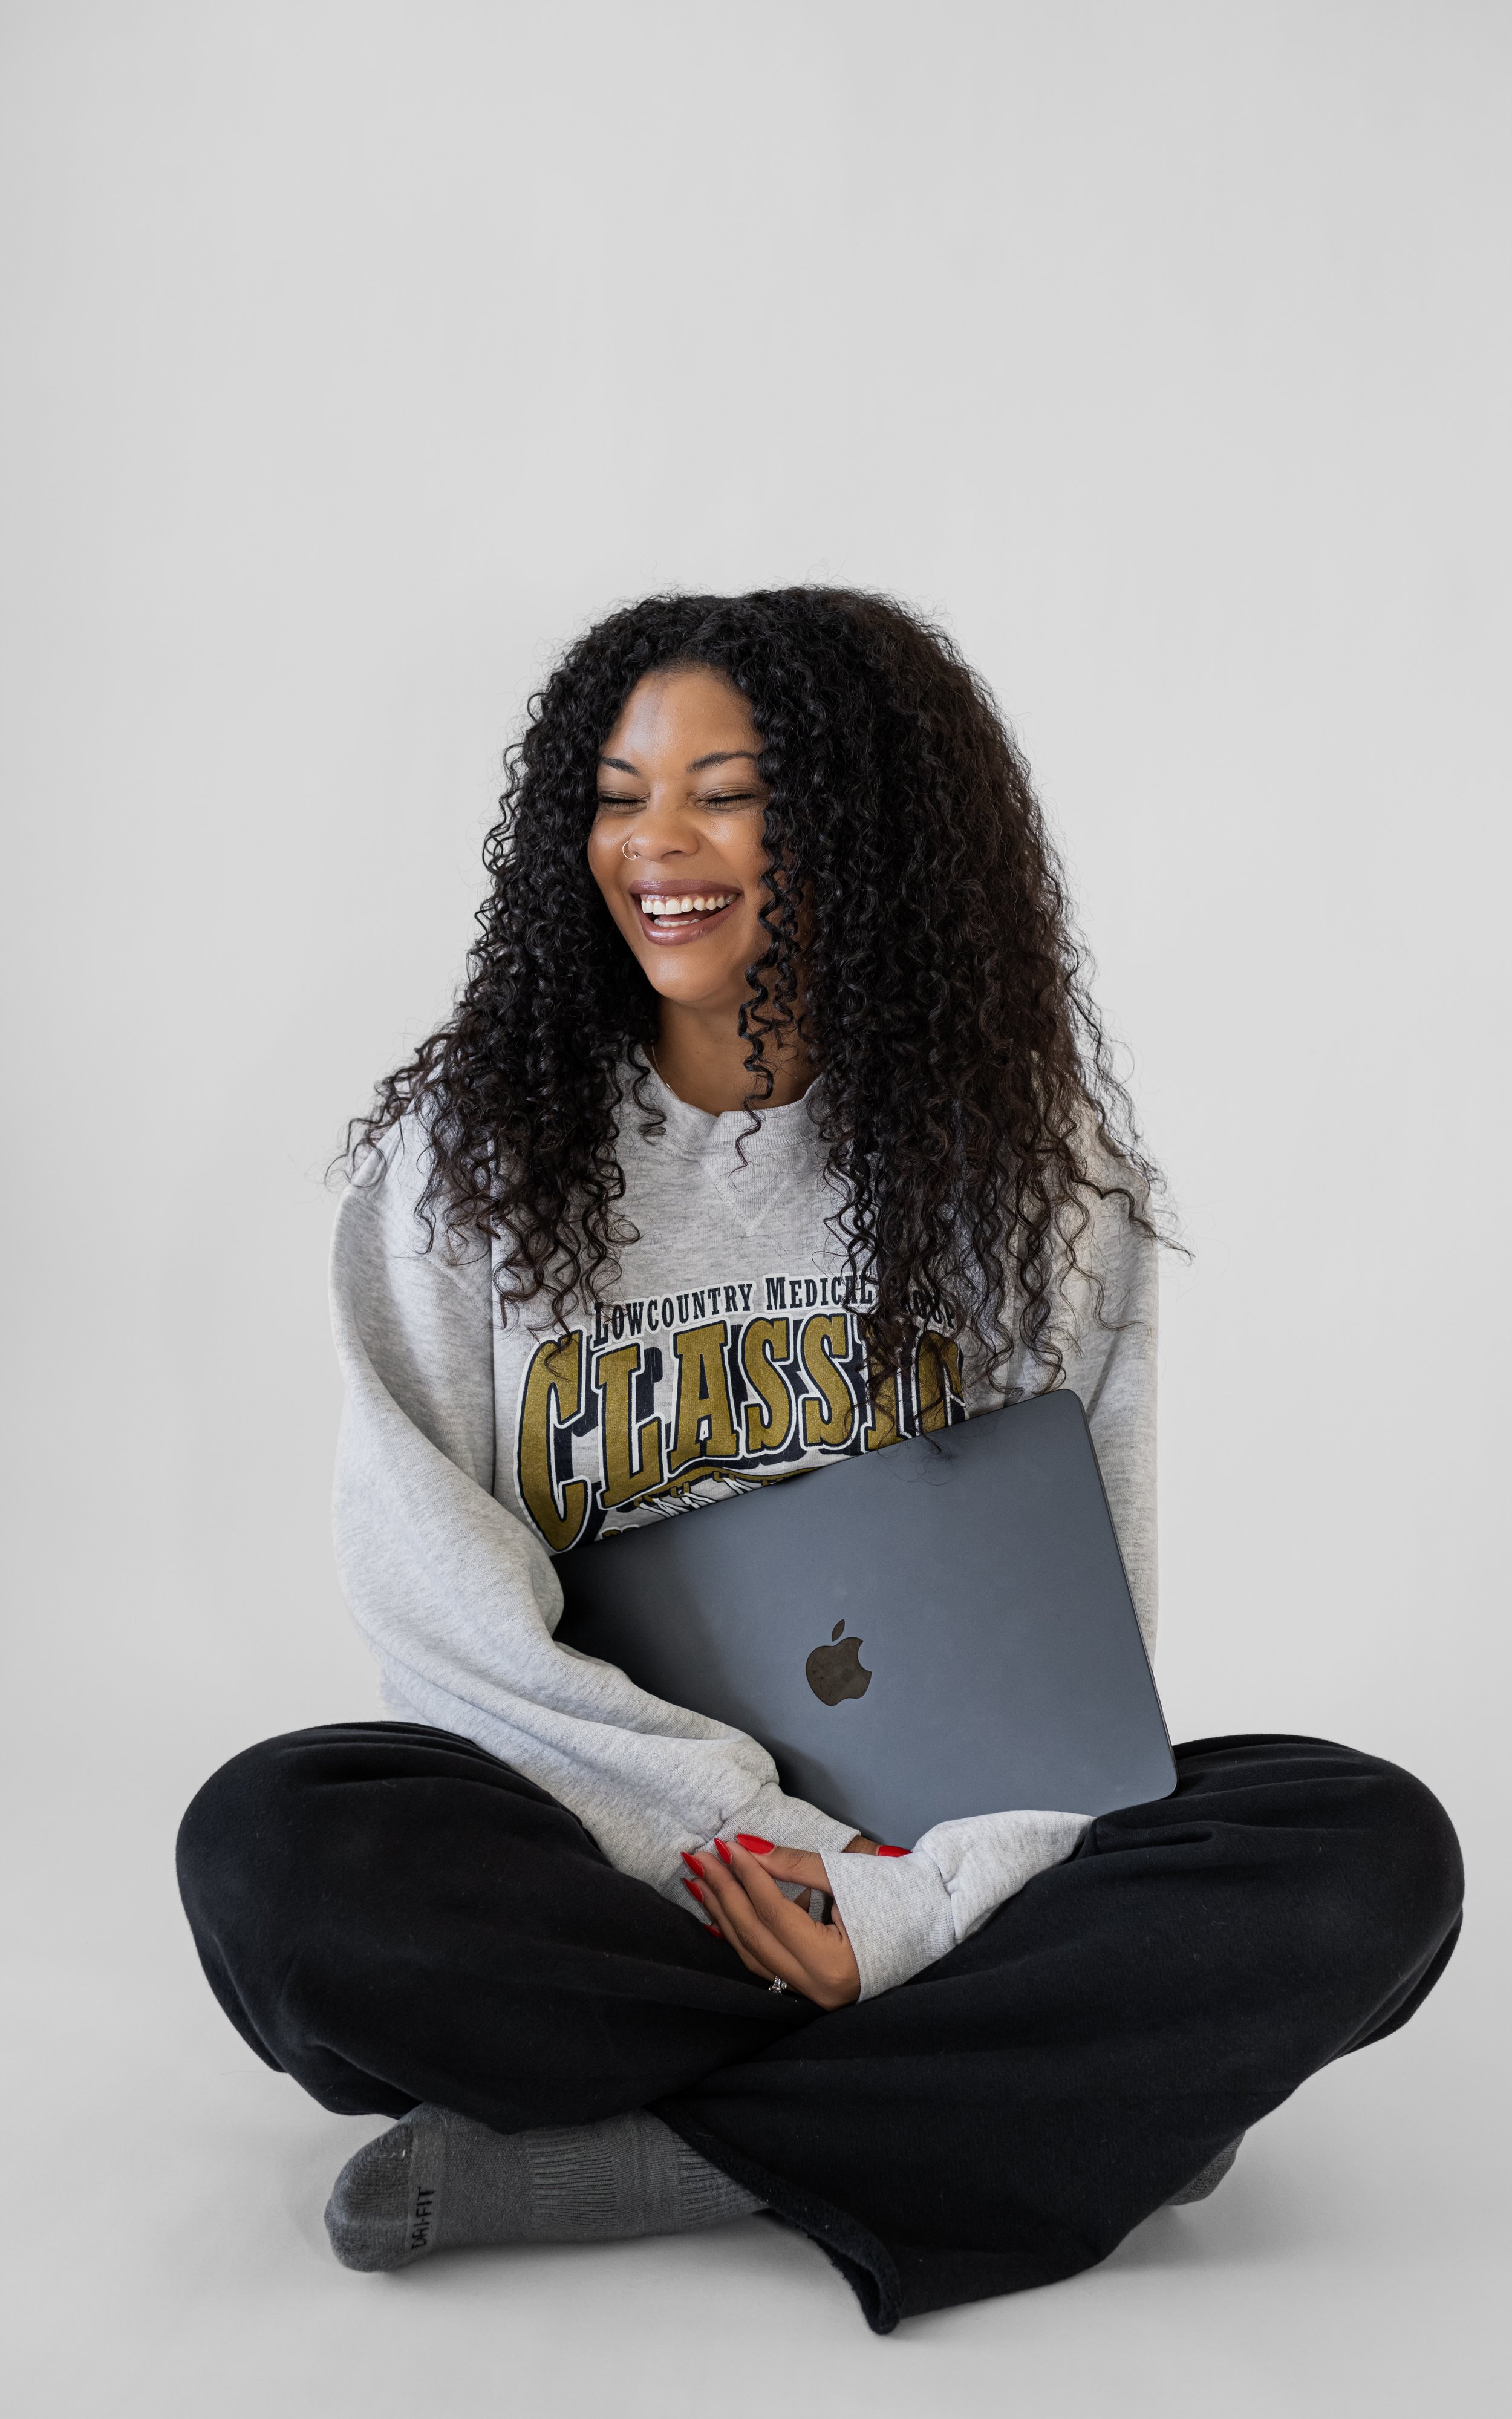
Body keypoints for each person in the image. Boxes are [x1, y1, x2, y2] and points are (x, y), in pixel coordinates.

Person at [176, 589, 1461, 2332]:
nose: (657, 845)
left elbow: (1081, 1629)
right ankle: (1061, 2106)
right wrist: (739, 1833)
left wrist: (919, 1906)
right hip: (612, 1846)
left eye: (727, 790)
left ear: (863, 830)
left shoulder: (1030, 1167)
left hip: (941, 1866)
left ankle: (655, 2155)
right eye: (619, 794)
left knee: (1365, 1853)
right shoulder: (461, 1162)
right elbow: (428, 1589)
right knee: (278, 1853)